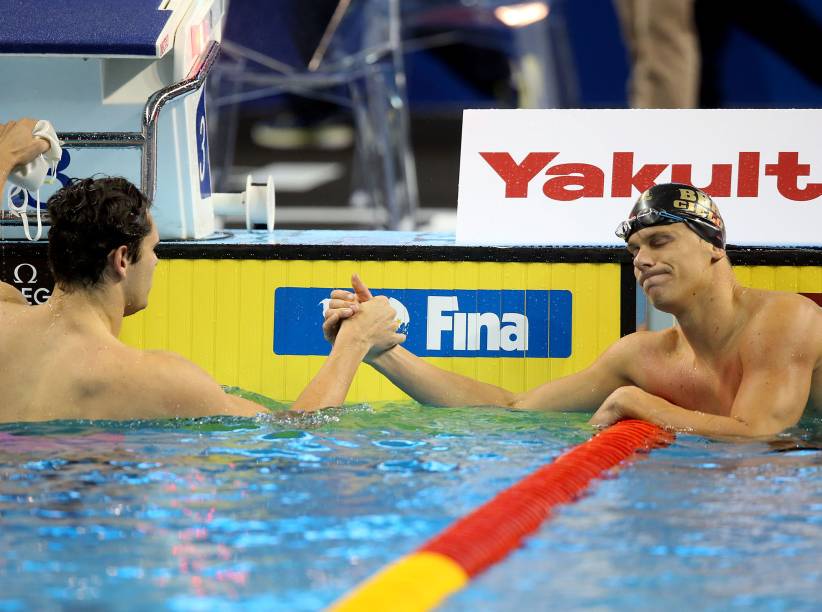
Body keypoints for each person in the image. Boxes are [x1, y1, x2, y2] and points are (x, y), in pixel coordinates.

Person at [324, 183, 822, 438]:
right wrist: (376, 349)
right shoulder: (643, 357)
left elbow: (758, 435)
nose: (644, 260)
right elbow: (512, 408)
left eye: (660, 241)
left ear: (715, 247)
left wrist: (641, 404)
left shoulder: (784, 320)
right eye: (634, 252)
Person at [0, 121, 404, 422]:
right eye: (154, 249)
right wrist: (355, 342)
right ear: (122, 260)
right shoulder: (152, 378)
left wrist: (6, 156)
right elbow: (296, 435)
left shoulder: (5, 313)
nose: (157, 261)